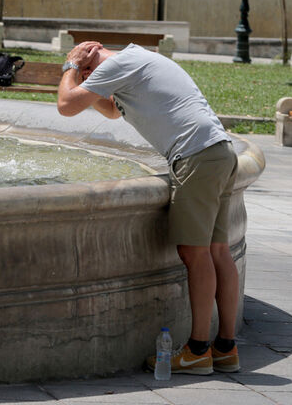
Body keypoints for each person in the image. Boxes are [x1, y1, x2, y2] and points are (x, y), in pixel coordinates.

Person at [57, 41, 241, 376]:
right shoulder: (136, 59)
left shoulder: (116, 64)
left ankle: (199, 350)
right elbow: (113, 110)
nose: (83, 80)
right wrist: (91, 86)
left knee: (195, 253)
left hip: (195, 157)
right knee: (218, 251)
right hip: (218, 150)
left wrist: (68, 68)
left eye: (85, 74)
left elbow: (66, 105)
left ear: (90, 62)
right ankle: (226, 348)